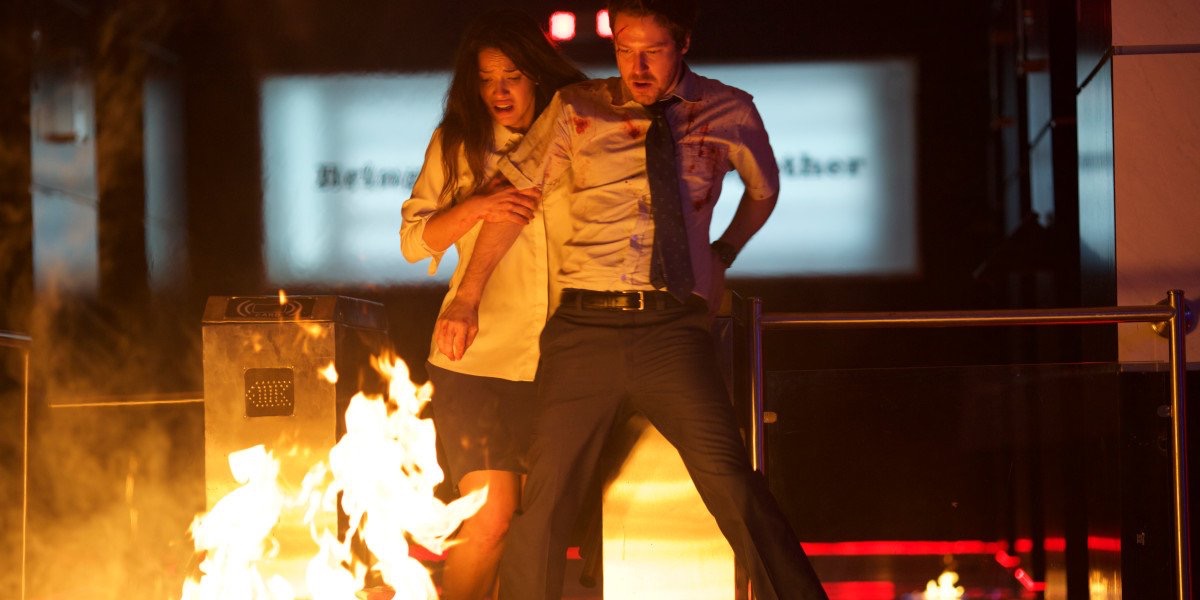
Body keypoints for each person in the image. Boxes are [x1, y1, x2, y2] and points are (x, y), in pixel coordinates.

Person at [437, 1, 830, 598]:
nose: (637, 67)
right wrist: (467, 297)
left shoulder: (728, 109)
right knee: (546, 499)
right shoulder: (579, 107)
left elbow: (763, 189)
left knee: (731, 480)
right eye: (624, 50)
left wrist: (724, 251)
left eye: (652, 51)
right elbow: (516, 196)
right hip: (584, 328)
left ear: (683, 43)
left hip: (670, 330)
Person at [398, 9, 585, 599]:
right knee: (490, 520)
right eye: (485, 79)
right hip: (475, 358)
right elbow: (412, 242)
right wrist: (477, 205)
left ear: (537, 74)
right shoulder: (457, 143)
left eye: (512, 76)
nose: (499, 91)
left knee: (527, 533)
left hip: (560, 360)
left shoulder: (578, 136)